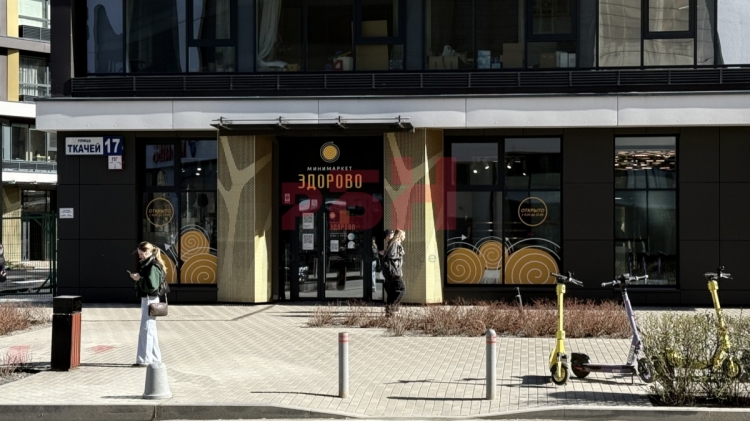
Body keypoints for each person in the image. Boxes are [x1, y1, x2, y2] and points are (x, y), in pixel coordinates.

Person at [129, 241, 165, 367]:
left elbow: (152, 285)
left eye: (141, 254)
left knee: (146, 329)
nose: (140, 256)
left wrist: (139, 278)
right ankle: (154, 358)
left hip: (150, 299)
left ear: (148, 252)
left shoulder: (152, 265)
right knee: (150, 329)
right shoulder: (151, 263)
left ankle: (144, 359)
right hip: (150, 299)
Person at [383, 229, 406, 315]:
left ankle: (390, 310)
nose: (405, 237)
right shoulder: (395, 244)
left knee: (392, 290)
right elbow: (391, 256)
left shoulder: (394, 243)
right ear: (400, 235)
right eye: (404, 235)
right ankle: (392, 307)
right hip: (393, 272)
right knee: (402, 289)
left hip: (392, 271)